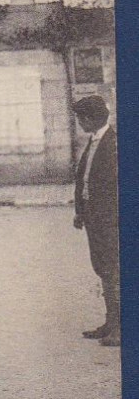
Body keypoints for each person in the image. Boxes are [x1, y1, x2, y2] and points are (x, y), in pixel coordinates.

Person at [73, 95, 120, 347]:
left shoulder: (112, 143)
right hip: (93, 219)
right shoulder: (94, 141)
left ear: (90, 119)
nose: (80, 123)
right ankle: (111, 322)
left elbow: (114, 188)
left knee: (114, 270)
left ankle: (122, 327)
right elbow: (84, 179)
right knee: (103, 268)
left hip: (109, 220)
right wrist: (80, 211)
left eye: (81, 118)